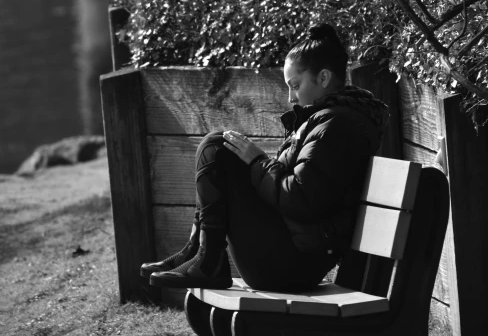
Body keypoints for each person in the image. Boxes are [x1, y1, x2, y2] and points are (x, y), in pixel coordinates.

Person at [141, 24, 389, 292]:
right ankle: (200, 250)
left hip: (293, 264)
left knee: (217, 149)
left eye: (295, 85)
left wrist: (257, 161)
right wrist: (258, 164)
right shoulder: (329, 120)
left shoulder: (337, 127)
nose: (290, 97)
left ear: (324, 78)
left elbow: (301, 198)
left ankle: (206, 258)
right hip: (292, 252)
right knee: (218, 145)